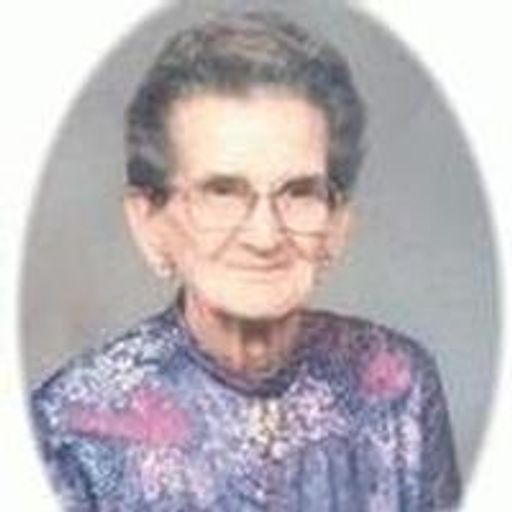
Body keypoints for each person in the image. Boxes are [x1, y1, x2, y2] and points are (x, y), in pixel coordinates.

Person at [31, 10, 460, 511]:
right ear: (150, 224)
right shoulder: (69, 431)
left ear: (337, 224)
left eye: (299, 192)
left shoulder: (399, 387)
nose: (264, 236)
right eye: (222, 192)